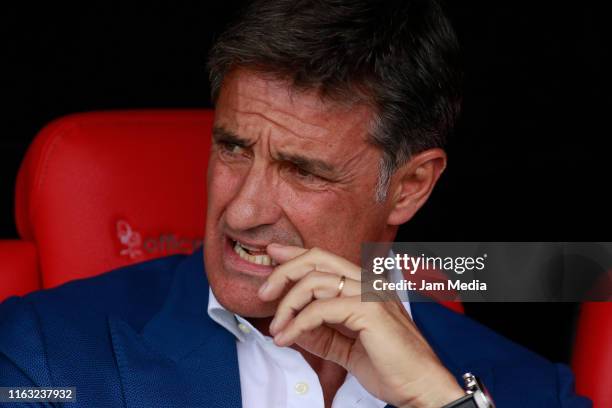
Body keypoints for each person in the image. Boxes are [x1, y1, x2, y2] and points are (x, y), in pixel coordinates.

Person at [0, 0, 591, 407]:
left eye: (302, 171)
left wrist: (440, 402)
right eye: (234, 149)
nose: (241, 211)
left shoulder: (535, 392)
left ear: (409, 187)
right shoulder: (45, 356)